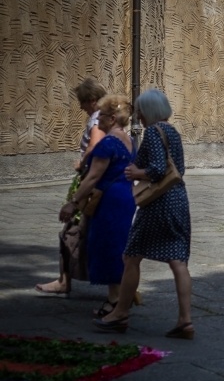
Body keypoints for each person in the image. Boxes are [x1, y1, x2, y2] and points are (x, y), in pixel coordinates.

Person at [94, 89, 194, 339]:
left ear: (148, 111)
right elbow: (177, 168)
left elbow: (158, 169)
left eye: (140, 109)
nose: (137, 114)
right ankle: (185, 321)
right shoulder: (172, 131)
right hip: (179, 199)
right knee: (178, 261)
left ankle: (120, 313)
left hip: (158, 203)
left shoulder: (153, 132)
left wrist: (136, 174)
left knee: (131, 256)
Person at [60, 95, 137, 317]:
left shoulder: (107, 143)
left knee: (106, 246)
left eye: (101, 115)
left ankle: (114, 302)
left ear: (112, 118)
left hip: (108, 200)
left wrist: (73, 203)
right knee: (118, 245)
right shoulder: (128, 140)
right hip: (126, 196)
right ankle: (120, 298)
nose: (98, 119)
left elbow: (93, 178)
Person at [35, 77, 106, 297]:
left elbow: (94, 146)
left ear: (92, 100)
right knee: (92, 232)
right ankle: (123, 285)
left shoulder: (96, 119)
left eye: (83, 102)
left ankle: (64, 281)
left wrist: (82, 163)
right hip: (97, 184)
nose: (80, 106)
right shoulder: (105, 118)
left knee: (71, 230)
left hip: (88, 182)